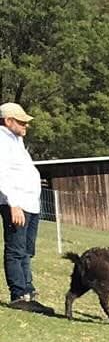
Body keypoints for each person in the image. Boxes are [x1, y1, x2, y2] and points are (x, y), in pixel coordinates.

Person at [1, 102, 43, 311]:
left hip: (30, 204)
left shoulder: (16, 141)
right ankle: (18, 294)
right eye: (21, 121)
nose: (26, 125)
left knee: (27, 250)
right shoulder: (2, 140)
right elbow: (2, 174)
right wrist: (13, 204)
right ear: (8, 121)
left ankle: (28, 291)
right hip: (17, 204)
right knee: (16, 250)